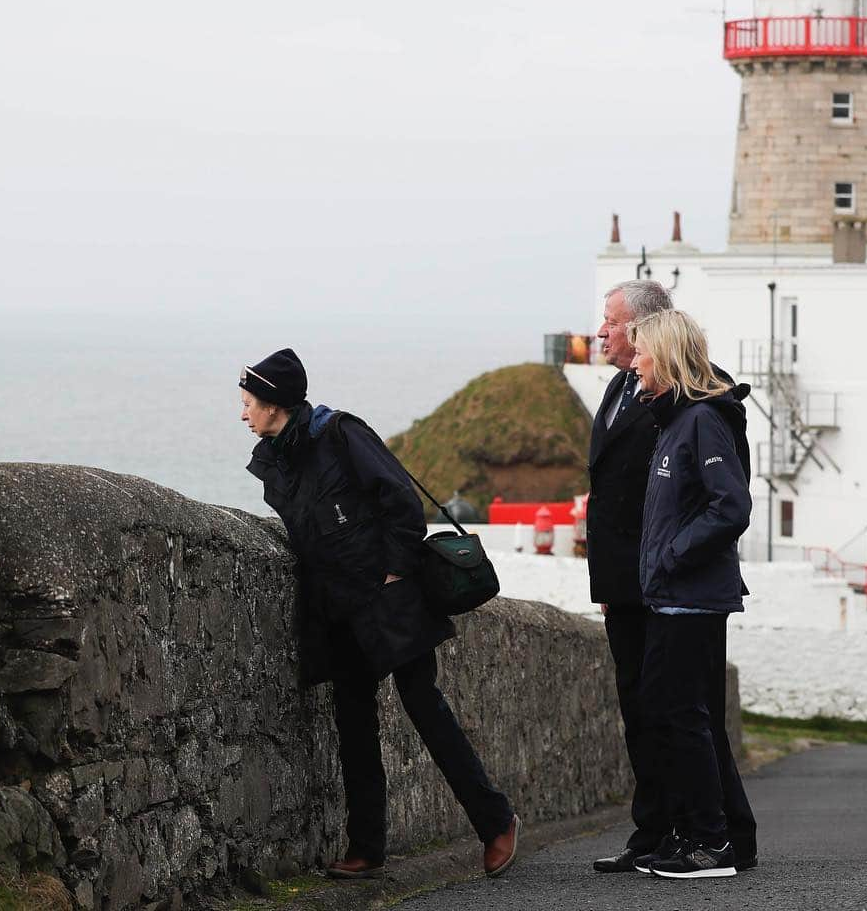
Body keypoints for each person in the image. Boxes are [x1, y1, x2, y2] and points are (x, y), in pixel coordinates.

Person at [238, 348, 519, 880]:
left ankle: (496, 821)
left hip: (389, 599)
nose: (243, 413)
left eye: (249, 402)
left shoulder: (341, 433)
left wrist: (393, 572)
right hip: (336, 609)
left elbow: (400, 501)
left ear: (274, 404)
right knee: (354, 726)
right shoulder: (279, 456)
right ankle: (367, 847)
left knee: (426, 709)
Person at [627, 309, 757, 880]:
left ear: (667, 358)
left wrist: (674, 555)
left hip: (691, 597)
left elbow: (731, 506)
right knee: (670, 715)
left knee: (681, 717)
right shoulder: (673, 422)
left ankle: (712, 842)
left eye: (641, 353)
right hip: (672, 596)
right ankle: (701, 835)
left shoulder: (702, 421)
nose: (633, 362)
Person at [586, 280, 674, 872]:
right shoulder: (620, 386)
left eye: (611, 323)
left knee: (667, 711)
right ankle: (651, 833)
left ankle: (697, 831)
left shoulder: (674, 392)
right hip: (621, 583)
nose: (600, 333)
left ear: (642, 329)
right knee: (636, 709)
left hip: (658, 581)